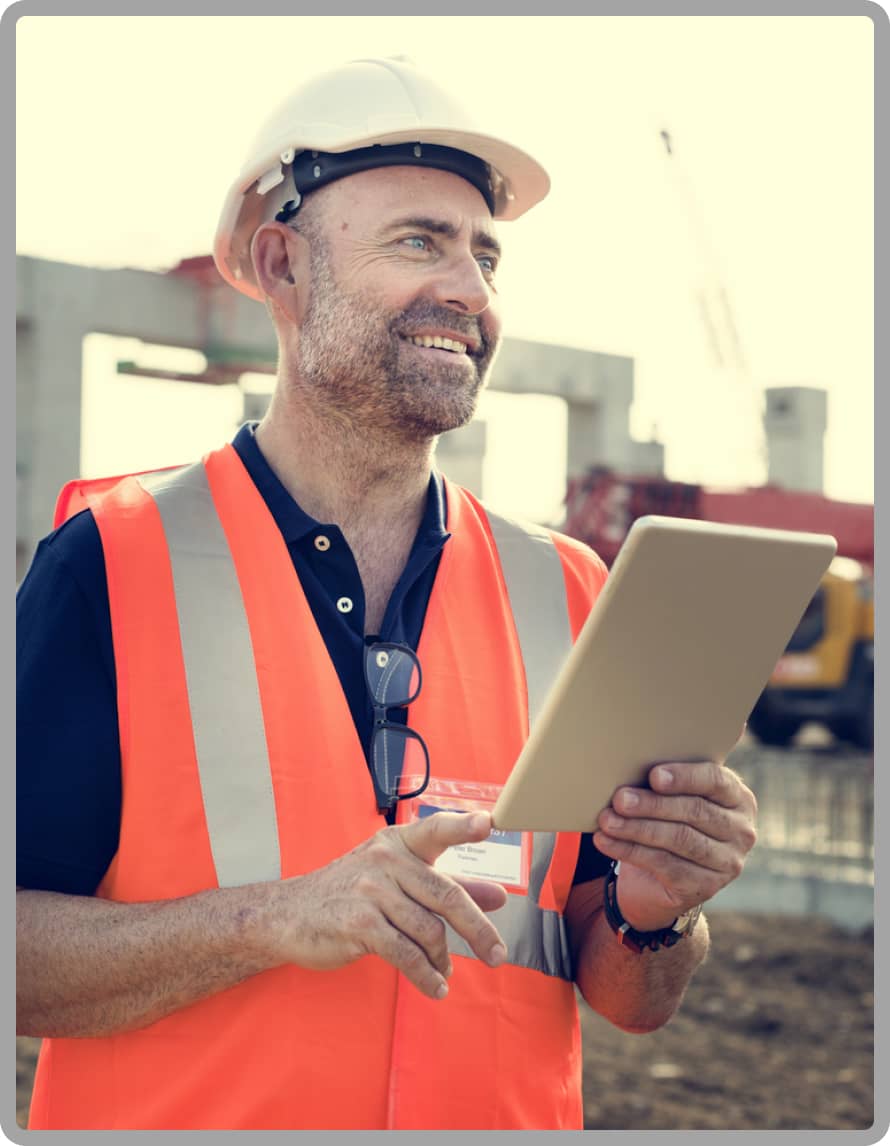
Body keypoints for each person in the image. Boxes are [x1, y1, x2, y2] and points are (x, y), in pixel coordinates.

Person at [16, 57, 758, 1131]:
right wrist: (270, 919)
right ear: (283, 265)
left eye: (484, 255)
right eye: (418, 241)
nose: (467, 289)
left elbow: (627, 999)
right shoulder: (112, 565)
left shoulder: (568, 591)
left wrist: (656, 912)